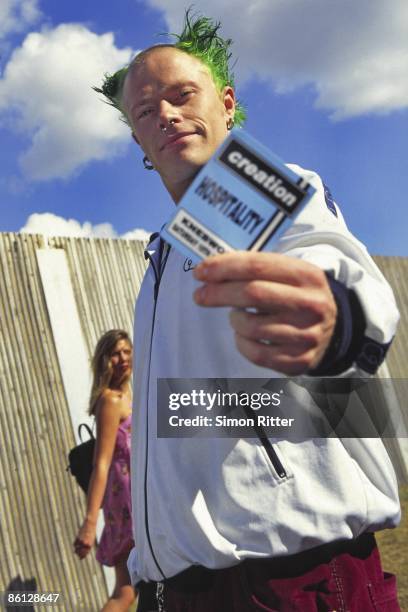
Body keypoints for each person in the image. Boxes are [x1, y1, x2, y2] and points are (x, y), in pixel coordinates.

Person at [96, 12, 401, 612]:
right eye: (146, 110)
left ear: (227, 102)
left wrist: (334, 318)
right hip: (182, 587)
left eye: (183, 95)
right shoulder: (164, 254)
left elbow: (335, 274)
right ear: (138, 140)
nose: (166, 114)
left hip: (283, 579)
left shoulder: (243, 190)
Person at [74, 329, 136, 612]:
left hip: (143, 498)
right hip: (125, 504)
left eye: (126, 351)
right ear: (104, 361)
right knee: (126, 590)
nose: (122, 358)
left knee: (136, 587)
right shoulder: (110, 402)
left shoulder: (133, 396)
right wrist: (89, 524)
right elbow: (102, 464)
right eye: (115, 353)